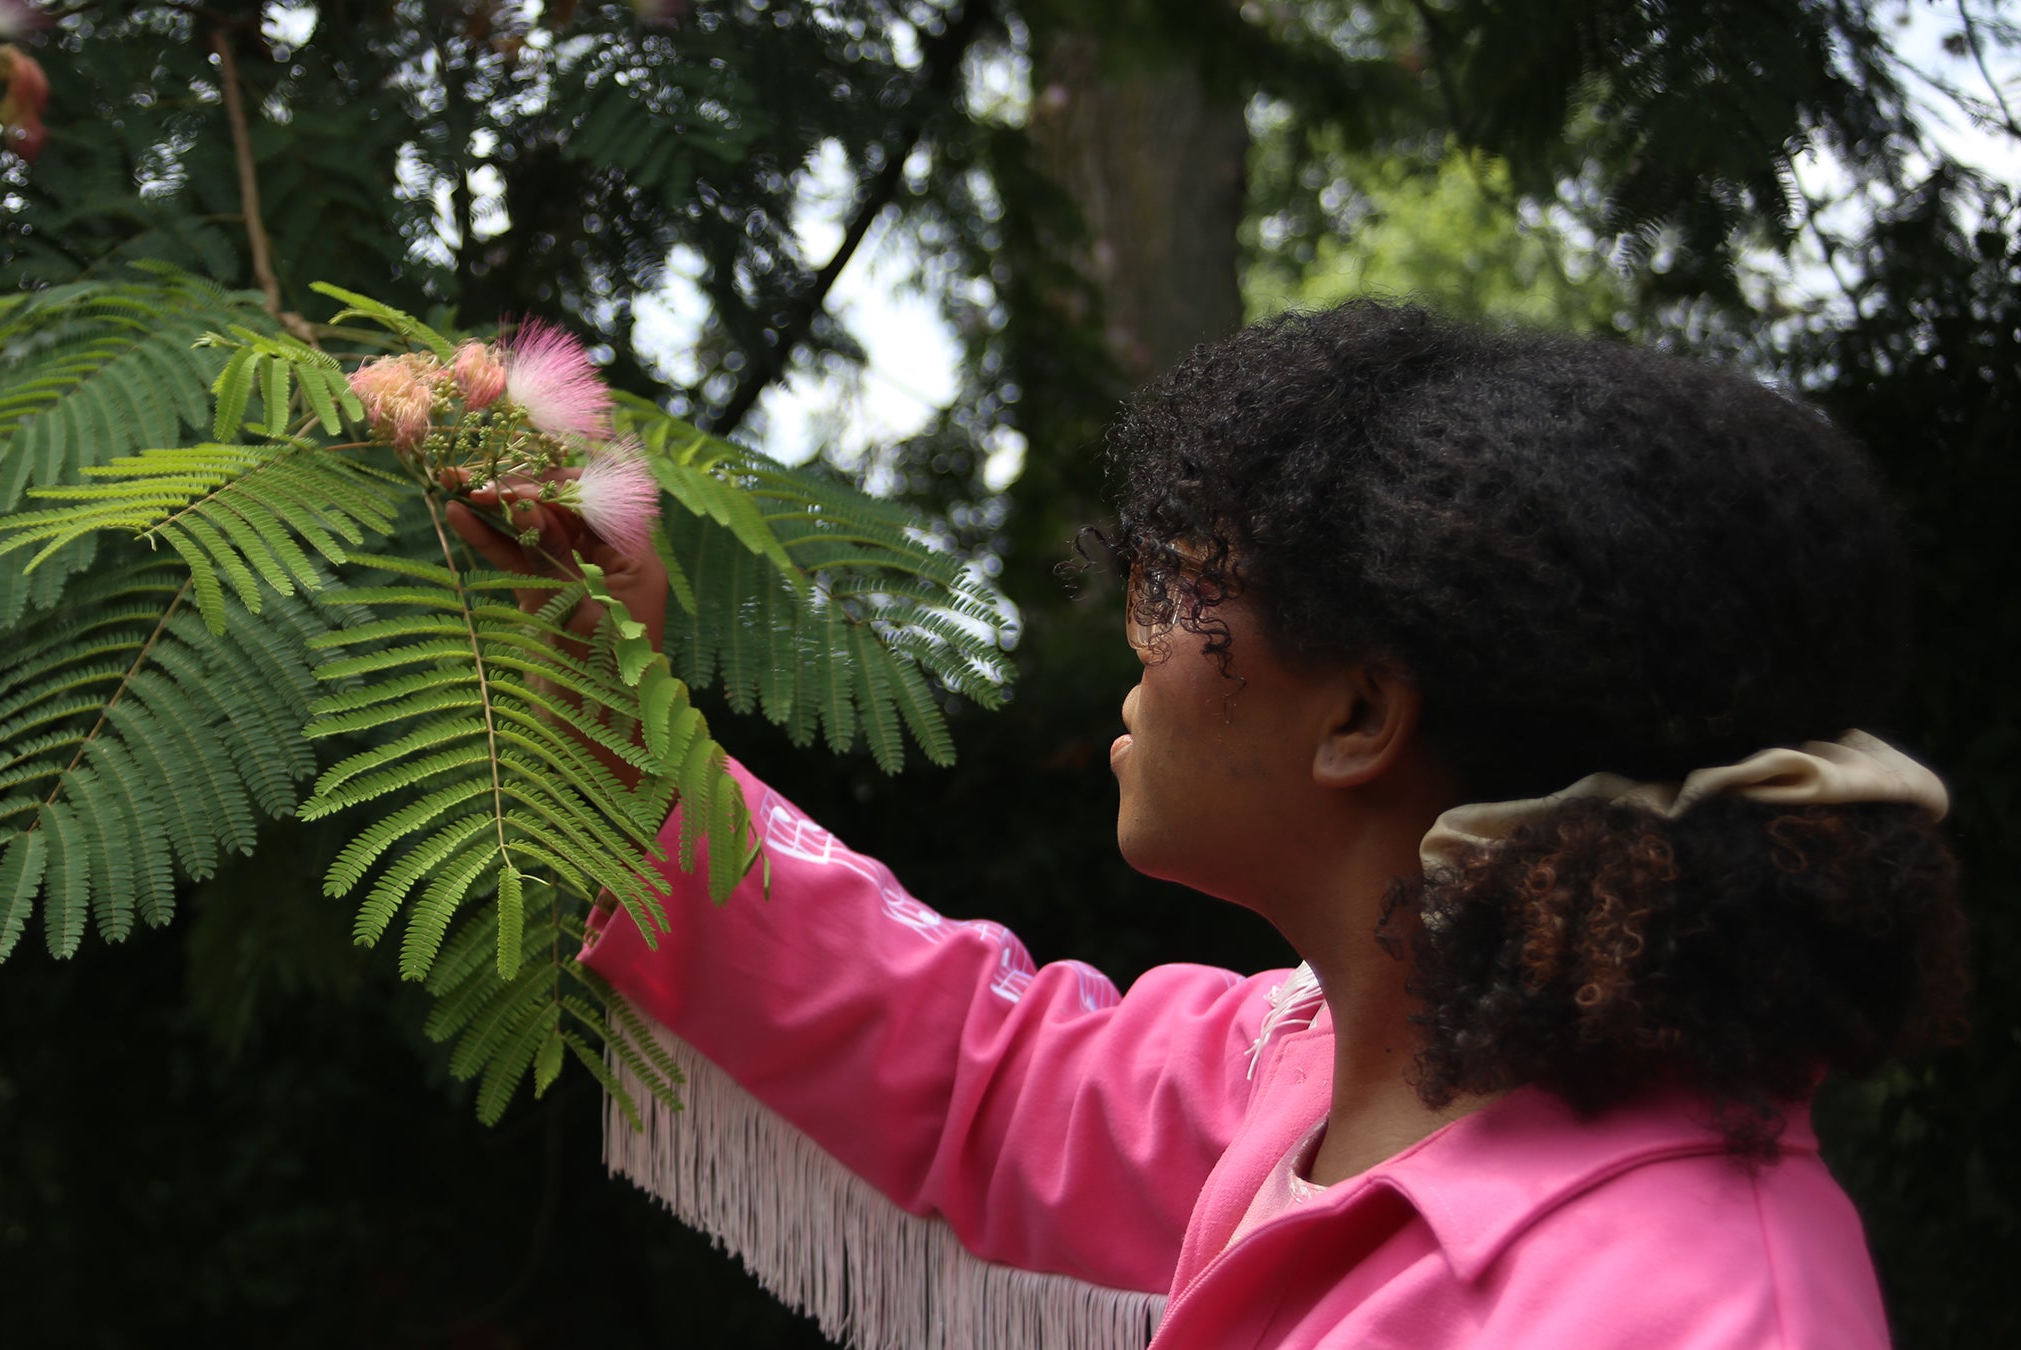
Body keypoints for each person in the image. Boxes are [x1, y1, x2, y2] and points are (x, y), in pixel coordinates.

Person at [450, 301, 1969, 1349]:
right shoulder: (1314, 1064)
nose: (1136, 640)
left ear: (1360, 715)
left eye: (1177, 587)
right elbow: (978, 1072)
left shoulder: (1706, 1310)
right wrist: (599, 687)